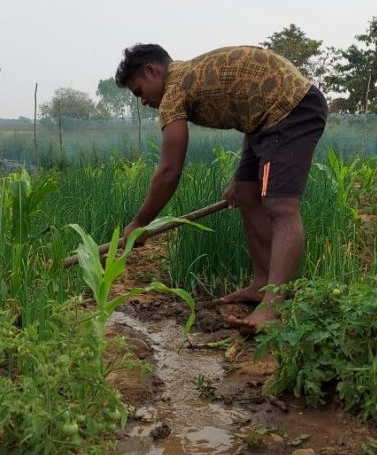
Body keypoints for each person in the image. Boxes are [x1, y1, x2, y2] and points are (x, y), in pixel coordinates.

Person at [115, 44, 327, 333]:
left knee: (281, 206)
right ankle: (262, 284)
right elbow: (249, 106)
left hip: (291, 109)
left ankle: (273, 306)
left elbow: (169, 171)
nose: (143, 102)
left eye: (139, 92)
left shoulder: (173, 92)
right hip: (262, 122)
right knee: (246, 192)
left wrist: (139, 223)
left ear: (153, 71)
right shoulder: (186, 78)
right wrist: (239, 179)